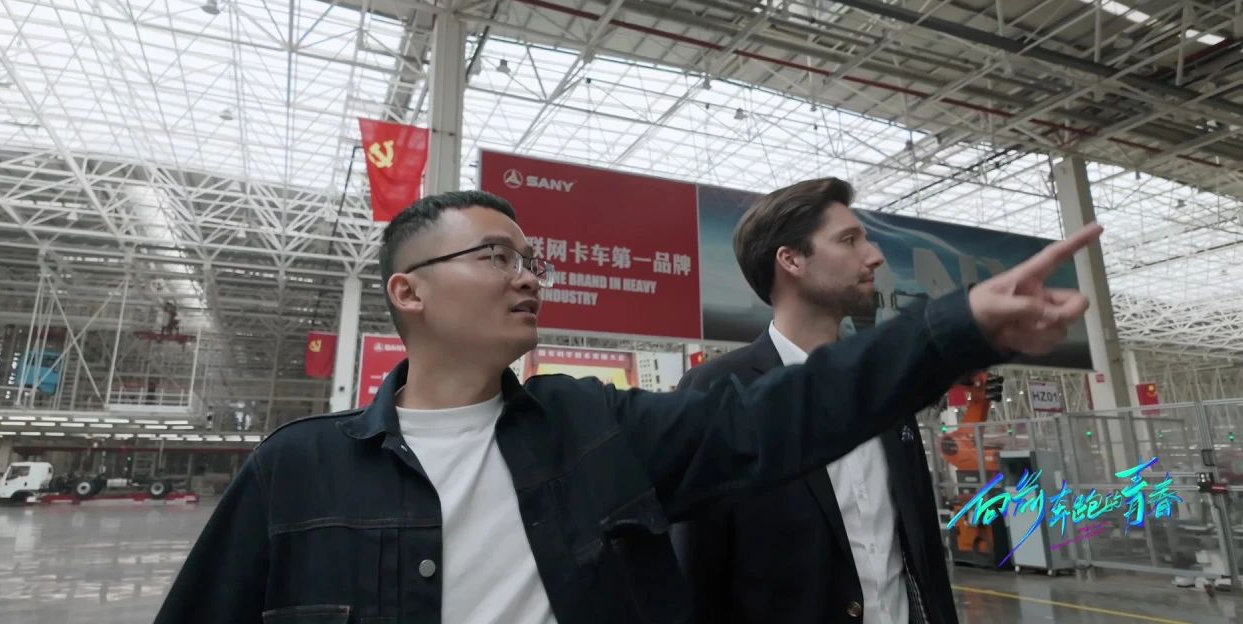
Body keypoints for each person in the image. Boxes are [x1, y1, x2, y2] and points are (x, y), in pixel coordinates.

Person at [154, 190, 1099, 624]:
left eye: (533, 260)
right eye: (496, 257)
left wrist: (958, 325)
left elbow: (782, 417)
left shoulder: (595, 432)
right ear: (409, 293)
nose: (529, 277)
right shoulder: (297, 471)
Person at [674, 178, 970, 624]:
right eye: (849, 240)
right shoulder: (718, 393)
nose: (874, 256)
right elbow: (694, 574)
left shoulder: (883, 384)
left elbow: (920, 548)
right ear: (791, 259)